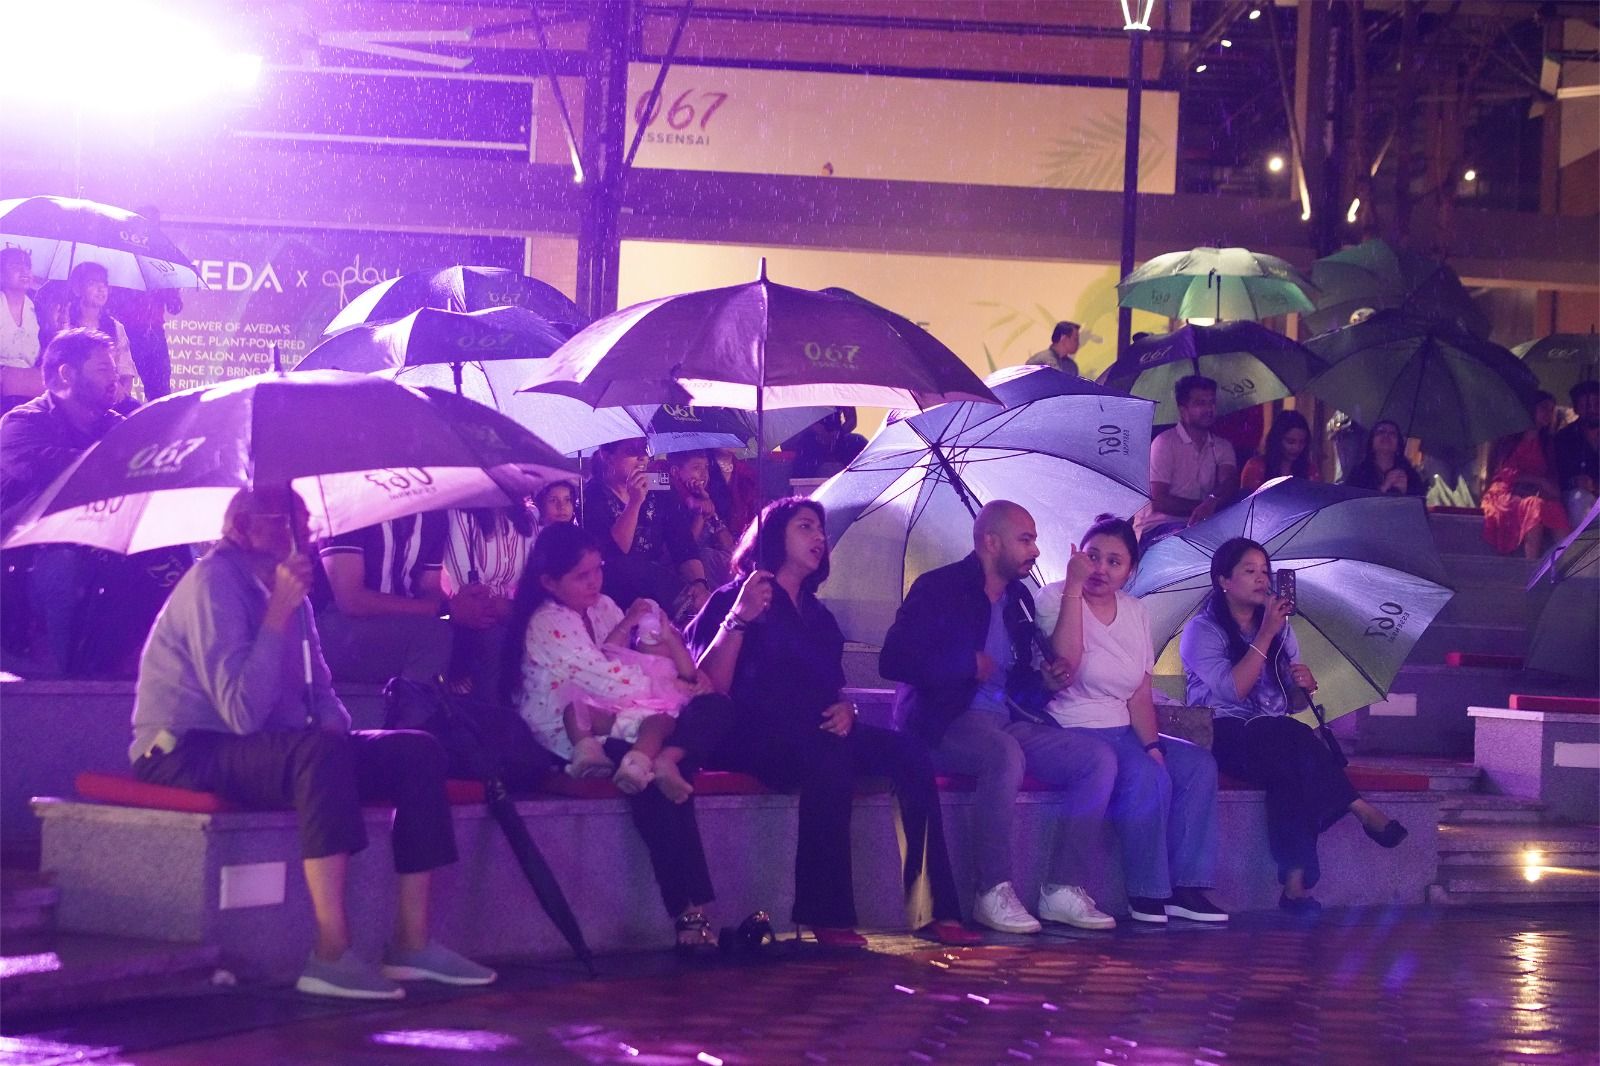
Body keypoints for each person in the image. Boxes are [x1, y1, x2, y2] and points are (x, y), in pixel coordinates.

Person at [130, 485, 496, 999]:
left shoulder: (291, 592)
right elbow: (240, 712)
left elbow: (321, 691)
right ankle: (330, 953)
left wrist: (335, 728)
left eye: (304, 524)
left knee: (415, 752)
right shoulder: (213, 583)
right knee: (320, 755)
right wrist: (277, 613)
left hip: (274, 741)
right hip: (186, 746)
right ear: (243, 528)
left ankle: (411, 944)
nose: (301, 535)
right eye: (285, 522)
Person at [688, 497, 979, 947]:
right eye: (805, 527)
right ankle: (828, 915)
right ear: (774, 535)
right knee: (829, 755)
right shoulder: (734, 597)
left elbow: (832, 690)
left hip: (816, 728)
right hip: (750, 733)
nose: (819, 538)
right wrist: (738, 618)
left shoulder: (819, 615)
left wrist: (849, 711)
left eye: (820, 530)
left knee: (908, 752)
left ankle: (934, 908)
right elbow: (708, 683)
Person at [880, 500, 1118, 935]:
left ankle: (1062, 888)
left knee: (1097, 759)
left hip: (1005, 720)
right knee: (1003, 753)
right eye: (1025, 540)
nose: (1035, 550)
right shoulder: (940, 587)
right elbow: (894, 658)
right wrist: (964, 663)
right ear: (991, 542)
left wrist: (1044, 682)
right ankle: (991, 890)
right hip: (942, 722)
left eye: (1034, 540)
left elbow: (1018, 682)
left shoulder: (1018, 600)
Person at [506, 522, 735, 950]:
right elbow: (604, 678)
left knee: (717, 708)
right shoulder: (546, 622)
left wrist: (680, 677)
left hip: (633, 713)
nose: (595, 582)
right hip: (575, 727)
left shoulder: (605, 607)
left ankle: (665, 758)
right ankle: (691, 911)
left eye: (598, 570)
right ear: (549, 582)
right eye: (582, 576)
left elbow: (642, 656)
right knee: (651, 775)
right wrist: (675, 687)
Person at [1180, 537, 1408, 917]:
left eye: (1265, 571)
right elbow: (1234, 690)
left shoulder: (1281, 630)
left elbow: (1291, 704)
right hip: (1224, 731)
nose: (1261, 579)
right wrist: (1266, 634)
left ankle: (1295, 888)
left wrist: (1304, 686)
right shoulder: (1202, 631)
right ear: (1223, 580)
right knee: (1293, 739)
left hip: (1274, 735)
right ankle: (1357, 807)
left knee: (1289, 770)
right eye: (1249, 571)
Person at [1036, 516, 1225, 924]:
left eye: (1114, 562)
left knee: (1196, 765)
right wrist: (1073, 590)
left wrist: (1152, 744)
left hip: (1123, 725)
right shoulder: (1054, 597)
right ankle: (1146, 892)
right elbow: (1066, 663)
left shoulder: (1135, 611)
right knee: (1146, 774)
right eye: (1093, 556)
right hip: (1074, 725)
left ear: (1130, 571)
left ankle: (1186, 887)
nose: (1100, 569)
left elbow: (1140, 691)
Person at [0, 329, 123, 675]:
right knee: (63, 567)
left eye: (114, 370)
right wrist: (120, 463)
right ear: (67, 374)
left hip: (99, 549)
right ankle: (67, 689)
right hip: (26, 564)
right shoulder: (21, 424)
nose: (114, 379)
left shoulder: (116, 426)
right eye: (103, 369)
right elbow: (60, 471)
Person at [314, 514, 461, 685]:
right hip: (334, 624)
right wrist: (442, 609)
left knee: (468, 631)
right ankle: (411, 702)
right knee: (433, 635)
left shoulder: (433, 516)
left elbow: (429, 588)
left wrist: (461, 609)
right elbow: (351, 601)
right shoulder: (347, 511)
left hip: (401, 623)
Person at [580, 438, 703, 615]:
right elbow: (616, 553)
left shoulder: (659, 483)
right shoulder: (591, 495)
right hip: (618, 585)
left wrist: (699, 583)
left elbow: (682, 542)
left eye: (644, 449)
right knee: (627, 566)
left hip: (661, 579)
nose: (642, 457)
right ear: (607, 456)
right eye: (632, 451)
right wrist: (635, 502)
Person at [440, 494, 536, 698]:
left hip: (513, 611)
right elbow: (470, 589)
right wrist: (510, 608)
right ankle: (487, 712)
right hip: (470, 617)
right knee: (496, 639)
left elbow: (531, 582)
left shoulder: (528, 518)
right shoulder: (463, 515)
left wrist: (514, 608)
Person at [1135, 375, 1238, 547]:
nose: (1209, 409)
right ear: (1183, 409)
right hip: (1159, 527)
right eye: (1200, 403)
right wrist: (1204, 506)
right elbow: (1159, 501)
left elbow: (1229, 483)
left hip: (1202, 526)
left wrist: (1212, 502)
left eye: (1212, 402)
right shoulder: (1164, 443)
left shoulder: (1222, 446)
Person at [1481, 392, 1571, 558]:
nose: (1548, 413)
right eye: (1544, 408)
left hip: (1533, 492)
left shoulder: (1547, 443)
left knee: (1555, 509)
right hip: (1505, 491)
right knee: (1534, 506)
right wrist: (1538, 481)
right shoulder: (1510, 438)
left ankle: (1565, 564)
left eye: (1551, 410)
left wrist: (1546, 486)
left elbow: (1550, 476)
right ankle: (1531, 565)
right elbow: (1503, 472)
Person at [66, 262, 137, 409]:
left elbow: (126, 373)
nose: (101, 289)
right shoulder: (65, 322)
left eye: (104, 284)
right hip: (74, 397)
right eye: (92, 283)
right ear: (77, 289)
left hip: (108, 398)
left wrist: (120, 392)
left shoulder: (115, 327)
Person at [662, 450, 735, 589]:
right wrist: (699, 514)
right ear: (675, 472)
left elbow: (728, 545)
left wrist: (708, 505)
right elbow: (685, 551)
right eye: (696, 468)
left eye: (706, 467)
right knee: (706, 557)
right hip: (682, 573)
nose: (704, 474)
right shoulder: (669, 500)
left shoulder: (703, 495)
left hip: (714, 570)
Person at [0, 248, 44, 410]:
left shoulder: (39, 311)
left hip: (29, 394)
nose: (24, 270)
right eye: (15, 265)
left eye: (27, 266)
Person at [1239, 410, 1320, 493]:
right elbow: (1248, 499)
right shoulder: (1256, 466)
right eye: (1290, 442)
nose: (1297, 447)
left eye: (1302, 442)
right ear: (1277, 440)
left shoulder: (1310, 470)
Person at [1340, 420, 1424, 497]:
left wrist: (1405, 493)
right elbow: (1350, 501)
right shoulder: (1358, 473)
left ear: (1398, 445)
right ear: (1372, 442)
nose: (1386, 436)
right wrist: (1383, 488)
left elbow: (1419, 502)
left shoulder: (1410, 475)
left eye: (1392, 433)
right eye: (1381, 432)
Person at [1555, 381, 1599, 526]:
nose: (1592, 410)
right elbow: (1557, 477)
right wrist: (1575, 482)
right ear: (1576, 408)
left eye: (1597, 404)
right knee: (1580, 499)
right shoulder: (1564, 437)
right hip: (1577, 499)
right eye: (1586, 405)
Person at [787, 408, 868, 480]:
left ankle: (860, 484)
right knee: (806, 449)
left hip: (838, 437)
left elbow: (852, 420)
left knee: (859, 442)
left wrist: (838, 434)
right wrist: (815, 428)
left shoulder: (842, 395)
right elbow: (797, 417)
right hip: (809, 437)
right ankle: (802, 487)